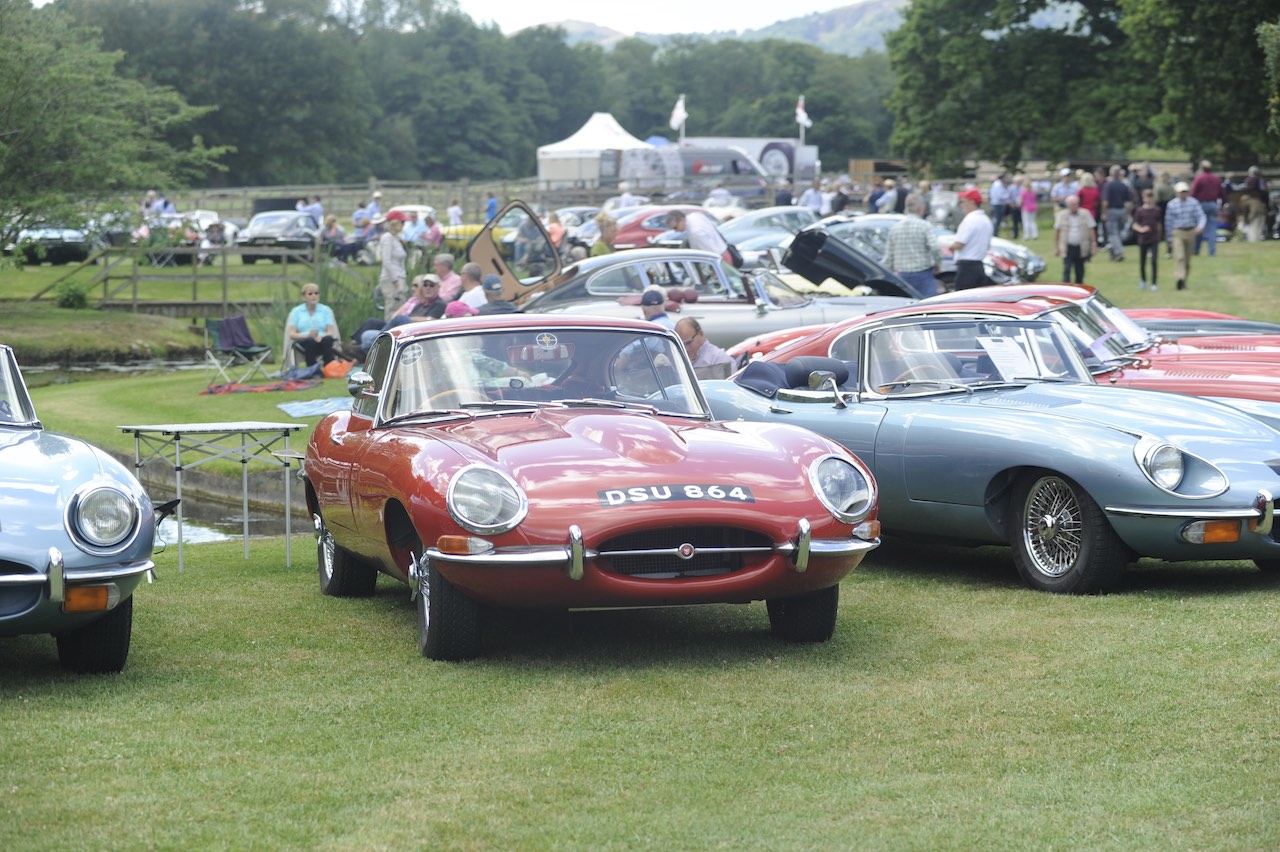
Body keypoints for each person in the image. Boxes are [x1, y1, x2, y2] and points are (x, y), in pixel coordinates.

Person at [353, 274, 448, 354]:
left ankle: (364, 349)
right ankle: (364, 347)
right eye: (425, 285)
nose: (428, 288)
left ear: (438, 287)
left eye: (431, 285)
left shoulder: (439, 304)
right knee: (368, 333)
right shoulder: (420, 304)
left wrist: (413, 318)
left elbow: (432, 322)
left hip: (418, 335)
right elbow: (397, 315)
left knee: (400, 319)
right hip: (403, 330)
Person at [882, 193, 941, 296]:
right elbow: (935, 247)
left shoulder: (895, 228)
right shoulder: (925, 226)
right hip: (923, 274)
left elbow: (888, 257)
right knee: (928, 305)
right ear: (920, 208)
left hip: (902, 274)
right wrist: (938, 264)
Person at [1164, 181, 1206, 291]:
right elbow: (1168, 222)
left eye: (1185, 192)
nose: (1183, 194)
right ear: (1177, 193)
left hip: (1190, 231)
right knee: (1180, 257)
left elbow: (1201, 216)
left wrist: (1200, 226)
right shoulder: (1172, 204)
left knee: (1187, 259)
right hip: (1178, 232)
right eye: (1181, 192)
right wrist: (1169, 239)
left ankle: (1184, 281)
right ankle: (1180, 278)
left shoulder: (1194, 203)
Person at [286, 283, 339, 367]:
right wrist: (308, 335)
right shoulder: (296, 311)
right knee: (310, 340)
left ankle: (329, 367)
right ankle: (312, 368)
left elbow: (330, 332)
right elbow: (292, 334)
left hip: (322, 339)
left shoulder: (326, 310)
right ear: (304, 297)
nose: (314, 296)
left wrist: (320, 337)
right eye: (310, 294)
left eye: (316, 293)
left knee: (328, 339)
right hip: (304, 340)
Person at [950, 188, 993, 290]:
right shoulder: (986, 220)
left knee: (962, 300)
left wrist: (951, 248)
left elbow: (960, 243)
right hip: (979, 265)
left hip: (967, 267)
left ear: (972, 202)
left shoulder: (970, 220)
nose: (961, 205)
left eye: (963, 202)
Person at [663, 209, 734, 267]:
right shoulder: (696, 215)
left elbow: (712, 255)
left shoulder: (696, 233)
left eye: (676, 227)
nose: (676, 231)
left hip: (720, 262)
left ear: (682, 220)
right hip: (724, 252)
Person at [1053, 195, 1097, 284]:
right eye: (1072, 204)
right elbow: (1057, 230)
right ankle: (1066, 287)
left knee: (1080, 269)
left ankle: (1079, 286)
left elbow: (1091, 228)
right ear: (1068, 205)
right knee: (1067, 268)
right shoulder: (1061, 215)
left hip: (1081, 246)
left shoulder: (1085, 213)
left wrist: (1093, 244)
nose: (1074, 206)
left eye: (1076, 204)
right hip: (1067, 246)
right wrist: (1057, 246)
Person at [377, 210, 408, 319]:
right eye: (402, 222)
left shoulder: (397, 238)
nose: (404, 225)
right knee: (392, 309)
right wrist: (396, 281)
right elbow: (386, 261)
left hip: (400, 277)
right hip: (391, 279)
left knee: (400, 309)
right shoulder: (387, 238)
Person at [1189, 160, 1224, 256]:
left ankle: (1196, 250)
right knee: (1212, 228)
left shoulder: (1199, 178)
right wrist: (1222, 205)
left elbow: (1193, 193)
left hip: (1200, 205)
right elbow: (1222, 193)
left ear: (1201, 168)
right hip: (1213, 204)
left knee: (1199, 227)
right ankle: (1211, 251)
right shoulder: (1216, 179)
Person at [1132, 189, 1163, 291]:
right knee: (1142, 261)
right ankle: (1143, 280)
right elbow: (1135, 224)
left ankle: (1154, 283)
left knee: (1154, 261)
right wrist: (1141, 229)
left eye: (1150, 197)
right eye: (1146, 197)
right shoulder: (1140, 210)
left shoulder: (1157, 210)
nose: (1148, 199)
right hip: (1143, 239)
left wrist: (1159, 236)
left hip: (1153, 239)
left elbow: (1159, 224)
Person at [1102, 165, 1133, 261]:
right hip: (1122, 211)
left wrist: (1104, 212)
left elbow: (1105, 201)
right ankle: (1114, 254)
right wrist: (1128, 214)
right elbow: (1129, 202)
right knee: (1118, 233)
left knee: (1113, 233)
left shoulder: (1109, 185)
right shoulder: (1124, 185)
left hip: (1112, 210)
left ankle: (1119, 252)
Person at [988, 172, 1009, 236]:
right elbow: (999, 195)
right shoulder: (998, 185)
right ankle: (995, 233)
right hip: (998, 204)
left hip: (995, 203)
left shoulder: (996, 184)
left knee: (996, 219)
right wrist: (1007, 196)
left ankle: (995, 233)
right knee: (997, 220)